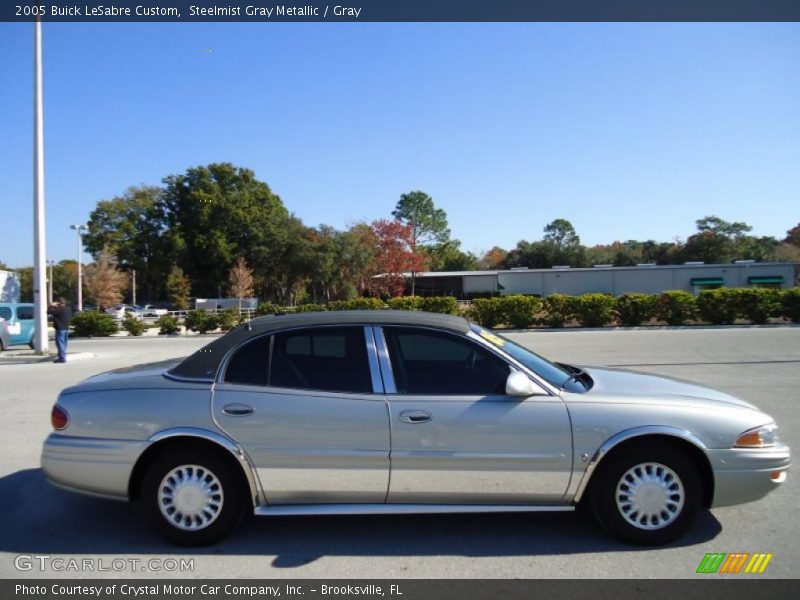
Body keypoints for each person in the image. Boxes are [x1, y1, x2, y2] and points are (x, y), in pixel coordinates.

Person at [48, 297, 73, 363]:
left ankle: (62, 358)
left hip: (60, 329)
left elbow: (48, 311)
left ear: (59, 303)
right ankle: (61, 356)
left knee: (60, 343)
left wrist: (51, 305)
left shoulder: (59, 310)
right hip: (66, 328)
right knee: (64, 343)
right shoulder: (68, 309)